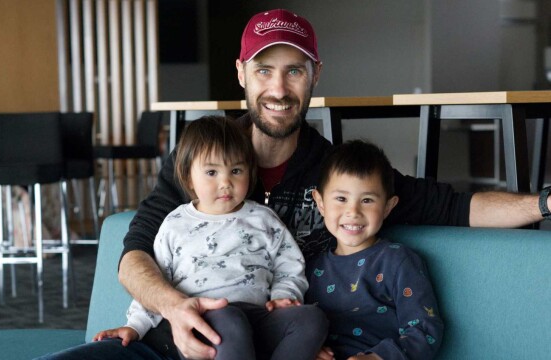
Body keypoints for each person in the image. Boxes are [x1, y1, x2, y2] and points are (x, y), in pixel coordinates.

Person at [39, 8, 551, 360]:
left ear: (315, 74)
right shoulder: (198, 162)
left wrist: (543, 203)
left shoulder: (338, 177)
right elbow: (134, 254)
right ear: (242, 74)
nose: (279, 89)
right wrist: (174, 311)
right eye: (264, 71)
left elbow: (452, 206)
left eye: (294, 72)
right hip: (171, 338)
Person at [39, 116, 328, 360]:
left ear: (249, 173)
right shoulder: (175, 223)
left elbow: (290, 267)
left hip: (259, 317)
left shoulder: (264, 219)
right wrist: (136, 327)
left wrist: (283, 297)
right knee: (229, 319)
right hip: (206, 319)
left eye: (236, 170)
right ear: (189, 178)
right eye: (212, 172)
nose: (226, 182)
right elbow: (157, 278)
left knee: (311, 319)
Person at [305, 140, 444, 360]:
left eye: (367, 200)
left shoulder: (398, 261)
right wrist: (308, 347)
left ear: (388, 206)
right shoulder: (310, 268)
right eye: (341, 199)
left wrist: (377, 357)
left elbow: (425, 329)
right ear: (320, 203)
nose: (353, 212)